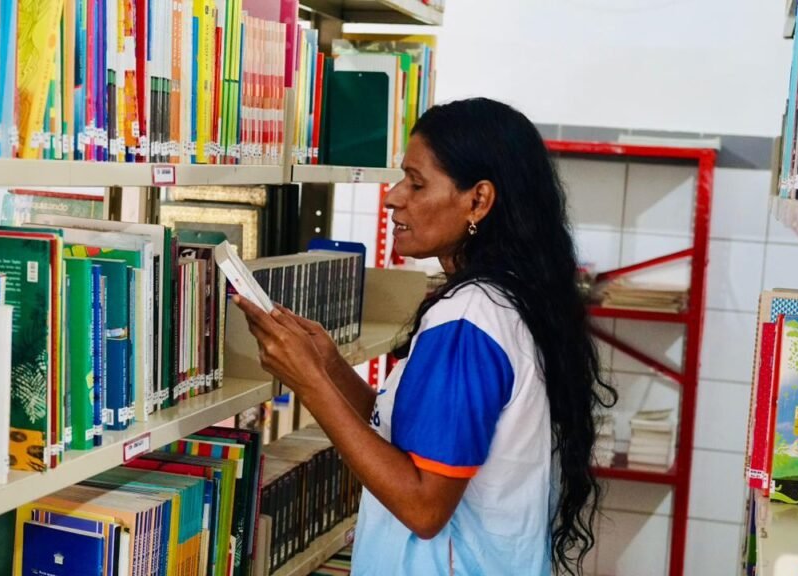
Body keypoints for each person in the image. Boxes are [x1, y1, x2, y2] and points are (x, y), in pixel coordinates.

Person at [235, 97, 616, 575]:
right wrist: (329, 367)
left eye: (416, 183)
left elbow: (424, 507)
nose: (393, 198)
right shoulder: (504, 300)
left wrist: (310, 384)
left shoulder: (468, 322)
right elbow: (408, 441)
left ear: (478, 200)